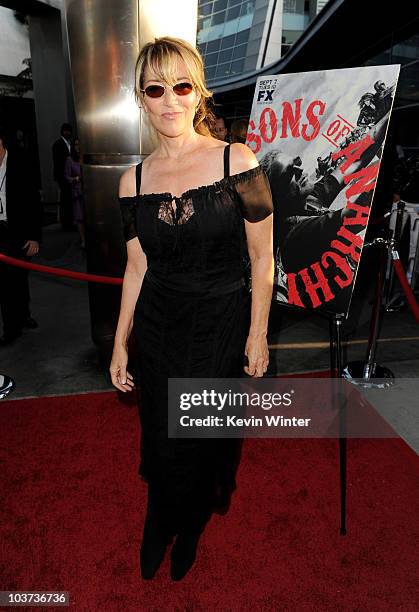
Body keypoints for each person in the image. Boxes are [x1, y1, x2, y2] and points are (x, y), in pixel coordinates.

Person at [109, 36, 274, 582]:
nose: (170, 100)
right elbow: (137, 269)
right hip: (158, 328)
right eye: (156, 88)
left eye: (181, 85)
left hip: (221, 328)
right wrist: (119, 344)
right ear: (141, 97)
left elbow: (262, 260)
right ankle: (160, 520)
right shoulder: (132, 181)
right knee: (160, 430)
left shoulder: (237, 160)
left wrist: (258, 335)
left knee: (203, 437)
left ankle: (193, 524)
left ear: (198, 90)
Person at [0, 127, 42, 346]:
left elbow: (33, 204)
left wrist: (35, 237)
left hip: (18, 231)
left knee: (20, 278)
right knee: (6, 282)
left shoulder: (20, 164)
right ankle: (11, 329)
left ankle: (23, 315)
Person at [64, 138, 85, 248]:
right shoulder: (70, 159)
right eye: (76, 144)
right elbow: (66, 177)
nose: (78, 146)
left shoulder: (86, 157)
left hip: (87, 192)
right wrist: (75, 179)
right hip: (77, 192)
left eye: (80, 144)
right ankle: (83, 240)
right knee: (79, 218)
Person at [52, 123, 73, 230]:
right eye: (67, 131)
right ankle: (66, 223)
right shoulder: (58, 144)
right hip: (62, 177)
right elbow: (58, 163)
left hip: (67, 176)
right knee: (65, 200)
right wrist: (63, 177)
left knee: (68, 200)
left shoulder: (68, 144)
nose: (68, 133)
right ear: (63, 131)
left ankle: (69, 221)